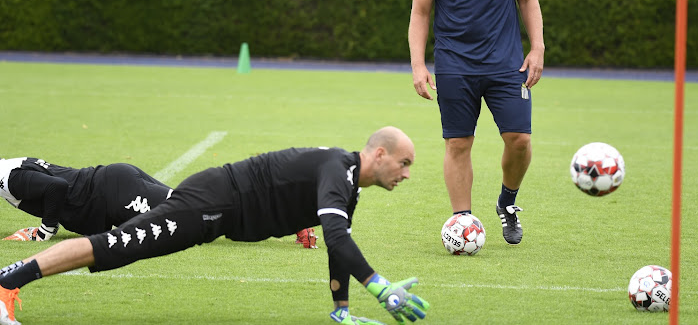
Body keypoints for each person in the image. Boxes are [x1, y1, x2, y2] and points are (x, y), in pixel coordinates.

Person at [0, 127, 429, 325]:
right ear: (377, 154)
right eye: (403, 163)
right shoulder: (339, 170)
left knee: (115, 245)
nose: (406, 173)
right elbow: (336, 237)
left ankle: (9, 280)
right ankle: (8, 283)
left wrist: (341, 311)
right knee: (116, 245)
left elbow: (338, 246)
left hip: (216, 209)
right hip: (209, 204)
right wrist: (380, 286)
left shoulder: (347, 182)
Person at [408, 0, 545, 246]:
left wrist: (537, 48)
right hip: (455, 64)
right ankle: (462, 221)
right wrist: (418, 65)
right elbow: (420, 13)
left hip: (506, 64)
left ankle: (507, 202)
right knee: (458, 144)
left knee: (519, 140)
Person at [0, 157, 174, 241]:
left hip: (112, 193)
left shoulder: (7, 178)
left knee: (182, 215)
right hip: (111, 184)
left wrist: (45, 231)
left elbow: (56, 186)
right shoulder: (8, 168)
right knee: (185, 204)